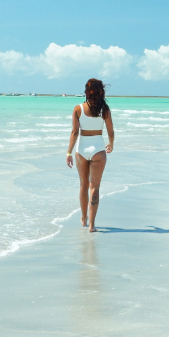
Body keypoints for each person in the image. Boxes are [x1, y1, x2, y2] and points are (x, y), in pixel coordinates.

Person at [66, 79, 115, 232]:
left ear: (86, 91)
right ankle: (92, 225)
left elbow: (74, 132)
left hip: (81, 150)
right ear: (101, 91)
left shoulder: (78, 109)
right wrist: (111, 144)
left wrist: (69, 152)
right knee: (95, 187)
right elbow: (111, 131)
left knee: (83, 186)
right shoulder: (105, 109)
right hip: (99, 150)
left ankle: (83, 218)